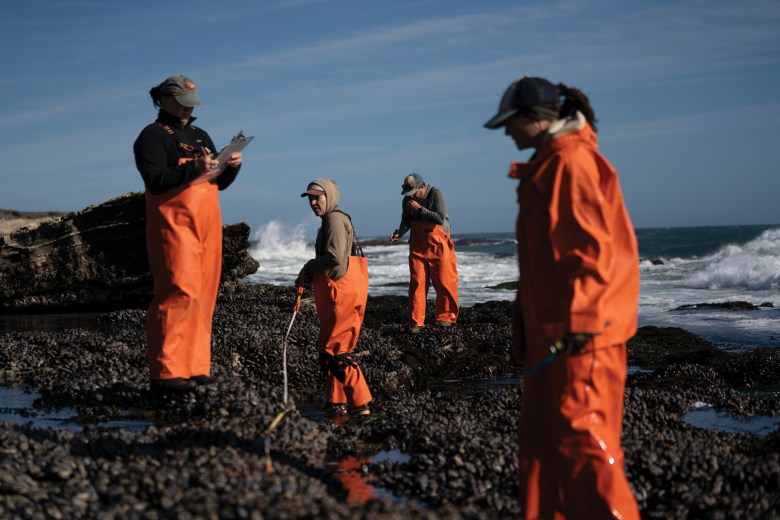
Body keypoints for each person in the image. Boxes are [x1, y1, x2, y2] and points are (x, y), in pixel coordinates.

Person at [484, 76, 641, 519]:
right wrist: (524, 326)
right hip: (550, 339)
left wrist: (582, 330)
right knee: (540, 452)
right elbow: (542, 266)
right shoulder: (547, 166)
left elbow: (593, 255)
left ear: (534, 119)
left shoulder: (572, 164)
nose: (506, 132)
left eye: (509, 123)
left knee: (585, 447)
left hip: (581, 340)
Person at [133, 75, 243, 396]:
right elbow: (155, 180)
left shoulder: (200, 134)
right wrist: (194, 167)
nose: (185, 109)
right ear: (163, 99)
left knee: (204, 294)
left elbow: (218, 183)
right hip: (173, 224)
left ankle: (195, 368)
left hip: (207, 223)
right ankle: (166, 372)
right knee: (178, 291)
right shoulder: (151, 136)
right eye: (180, 102)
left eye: (189, 104)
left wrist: (230, 165)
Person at [297, 178, 372, 417]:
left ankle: (361, 406)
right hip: (338, 293)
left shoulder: (334, 219)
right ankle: (335, 403)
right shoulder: (332, 219)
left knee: (337, 352)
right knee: (327, 351)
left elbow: (336, 258)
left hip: (342, 294)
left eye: (317, 197)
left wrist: (309, 266)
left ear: (329, 196)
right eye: (309, 198)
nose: (312, 202)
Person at [389, 173, 459, 333]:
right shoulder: (407, 200)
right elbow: (406, 221)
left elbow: (440, 219)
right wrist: (399, 234)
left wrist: (419, 209)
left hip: (439, 244)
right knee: (417, 284)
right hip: (417, 246)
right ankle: (415, 323)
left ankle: (446, 320)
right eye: (408, 194)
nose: (410, 196)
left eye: (413, 192)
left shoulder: (436, 194)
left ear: (422, 187)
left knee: (444, 282)